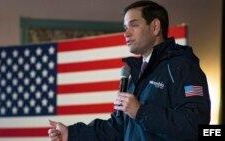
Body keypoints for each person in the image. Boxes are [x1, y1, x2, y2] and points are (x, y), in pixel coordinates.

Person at [48, 0, 211, 140]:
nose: (126, 33)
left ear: (155, 27)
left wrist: (140, 112)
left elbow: (196, 126)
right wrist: (71, 134)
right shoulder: (136, 73)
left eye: (134, 25)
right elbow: (117, 129)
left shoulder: (182, 67)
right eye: (125, 27)